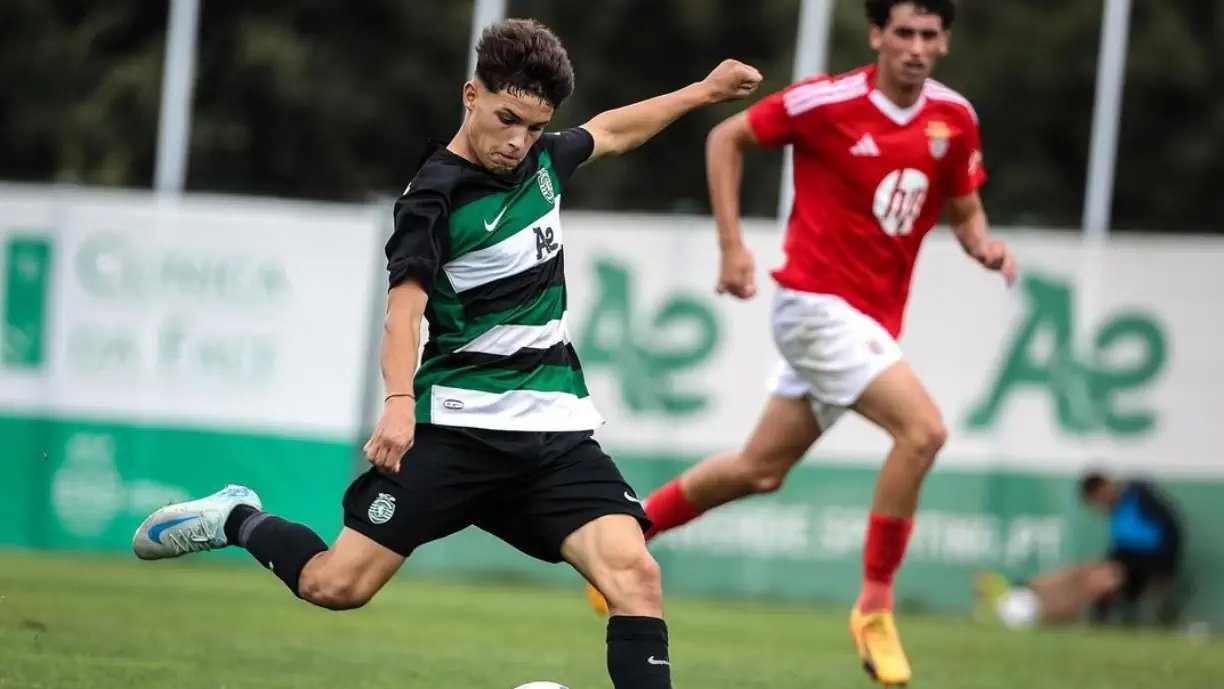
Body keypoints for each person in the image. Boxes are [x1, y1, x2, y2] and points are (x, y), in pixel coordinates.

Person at [130, 18, 762, 689]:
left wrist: (703, 90)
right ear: (471, 95)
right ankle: (237, 516)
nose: (517, 141)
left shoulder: (543, 160)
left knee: (635, 573)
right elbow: (403, 315)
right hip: (457, 429)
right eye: (506, 118)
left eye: (533, 125)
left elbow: (611, 130)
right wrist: (399, 403)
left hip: (553, 432)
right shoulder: (432, 197)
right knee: (335, 584)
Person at [581, 1, 1016, 684]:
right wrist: (732, 247)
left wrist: (982, 243)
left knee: (760, 468)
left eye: (929, 35)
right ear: (877, 35)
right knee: (923, 432)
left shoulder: (954, 119)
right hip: (814, 305)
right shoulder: (827, 100)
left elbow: (964, 203)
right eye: (902, 31)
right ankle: (874, 603)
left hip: (870, 322)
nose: (915, 46)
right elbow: (726, 138)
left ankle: (632, 531)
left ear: (945, 43)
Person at [975, 470, 1185, 630]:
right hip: (1123, 560)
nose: (1099, 505)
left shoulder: (1141, 498)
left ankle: (1038, 615)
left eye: (1097, 499)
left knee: (1096, 582)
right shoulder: (1117, 510)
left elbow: (1171, 529)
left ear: (1106, 487)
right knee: (1079, 572)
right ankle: (1021, 589)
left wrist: (1166, 570)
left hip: (1147, 564)